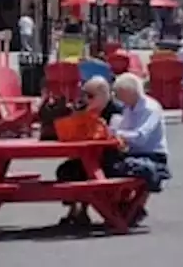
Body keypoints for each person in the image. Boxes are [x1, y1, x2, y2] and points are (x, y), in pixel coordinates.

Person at [56, 77, 124, 226]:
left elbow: (114, 136)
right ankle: (76, 210)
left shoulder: (115, 111)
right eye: (84, 94)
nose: (86, 99)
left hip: (110, 157)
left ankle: (108, 211)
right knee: (66, 170)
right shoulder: (84, 109)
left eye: (90, 96)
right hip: (87, 155)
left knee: (88, 172)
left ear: (104, 94)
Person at [108, 72, 171, 211]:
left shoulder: (150, 108)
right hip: (133, 152)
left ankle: (128, 208)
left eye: (120, 94)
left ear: (129, 92)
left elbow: (141, 137)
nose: (118, 98)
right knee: (105, 164)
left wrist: (116, 134)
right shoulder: (128, 108)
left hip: (152, 155)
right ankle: (120, 207)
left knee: (114, 168)